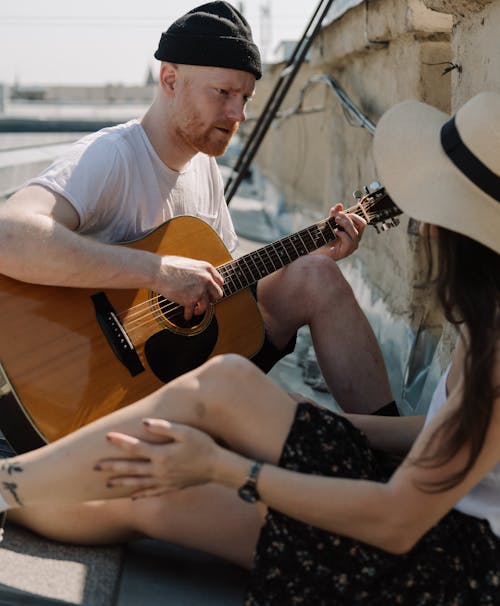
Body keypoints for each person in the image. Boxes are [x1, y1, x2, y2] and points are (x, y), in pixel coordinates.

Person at [2, 92, 499, 604]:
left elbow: (396, 522)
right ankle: (8, 482)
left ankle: (6, 486)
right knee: (226, 384)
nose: (424, 226)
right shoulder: (487, 321)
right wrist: (313, 420)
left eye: (433, 208)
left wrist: (226, 467)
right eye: (225, 92)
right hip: (421, 504)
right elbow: (445, 431)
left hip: (436, 560)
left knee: (157, 496)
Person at [0, 0, 394, 416]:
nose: (238, 113)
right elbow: (9, 235)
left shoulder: (205, 166)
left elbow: (226, 282)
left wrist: (310, 248)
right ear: (170, 79)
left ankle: (395, 454)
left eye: (245, 97)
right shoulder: (111, 156)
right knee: (292, 422)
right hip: (94, 386)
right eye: (223, 92)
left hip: (181, 365)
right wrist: (157, 272)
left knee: (318, 275)